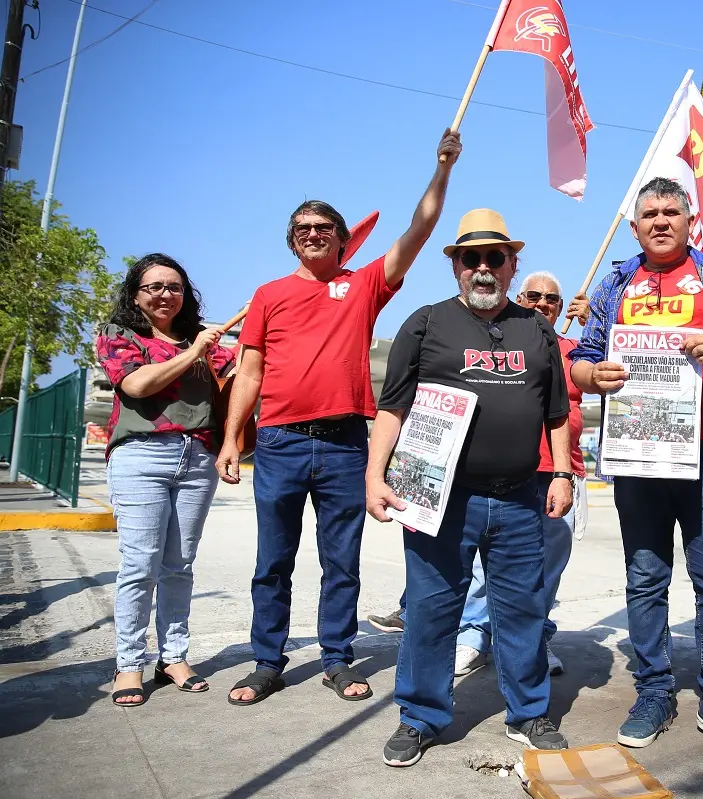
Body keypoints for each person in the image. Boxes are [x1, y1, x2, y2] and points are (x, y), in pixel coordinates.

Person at [218, 129, 462, 706]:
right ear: (292, 243)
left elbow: (420, 229)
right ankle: (267, 661)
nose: (313, 234)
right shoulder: (268, 294)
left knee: (340, 561)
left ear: (340, 238)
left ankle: (336, 658)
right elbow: (249, 373)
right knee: (272, 561)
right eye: (302, 229)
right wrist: (233, 438)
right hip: (278, 442)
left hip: (346, 442)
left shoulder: (364, 286)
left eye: (323, 227)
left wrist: (443, 168)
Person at [571, 177, 703, 758]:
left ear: (691, 222)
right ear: (634, 226)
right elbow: (582, 359)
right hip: (638, 457)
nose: (661, 221)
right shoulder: (615, 282)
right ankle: (654, 692)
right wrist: (595, 377)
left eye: (671, 212)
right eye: (650, 214)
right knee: (645, 579)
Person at [368, 209, 574, 767]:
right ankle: (420, 717)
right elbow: (393, 407)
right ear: (456, 266)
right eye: (471, 258)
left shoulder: (537, 329)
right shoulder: (426, 322)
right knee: (433, 612)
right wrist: (374, 474)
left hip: (520, 497)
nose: (483, 268)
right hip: (439, 498)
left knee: (522, 612)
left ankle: (529, 712)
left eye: (495, 258)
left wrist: (561, 473)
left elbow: (556, 411)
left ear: (512, 265)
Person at [367, 278, 590, 680]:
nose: (543, 304)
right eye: (533, 296)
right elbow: (395, 403)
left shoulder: (567, 349)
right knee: (462, 586)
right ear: (519, 299)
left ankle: (535, 651)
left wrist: (596, 330)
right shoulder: (441, 326)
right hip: (467, 485)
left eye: (552, 298)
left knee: (540, 578)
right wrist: (376, 472)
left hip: (554, 476)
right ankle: (470, 641)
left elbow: (586, 387)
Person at [98, 254, 236, 706]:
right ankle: (128, 664)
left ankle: (173, 656)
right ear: (135, 294)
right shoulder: (121, 336)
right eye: (154, 286)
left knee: (180, 565)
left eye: (174, 287)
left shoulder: (205, 340)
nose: (165, 294)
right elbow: (137, 386)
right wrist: (195, 352)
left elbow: (244, 373)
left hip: (197, 457)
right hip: (141, 455)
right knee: (140, 564)